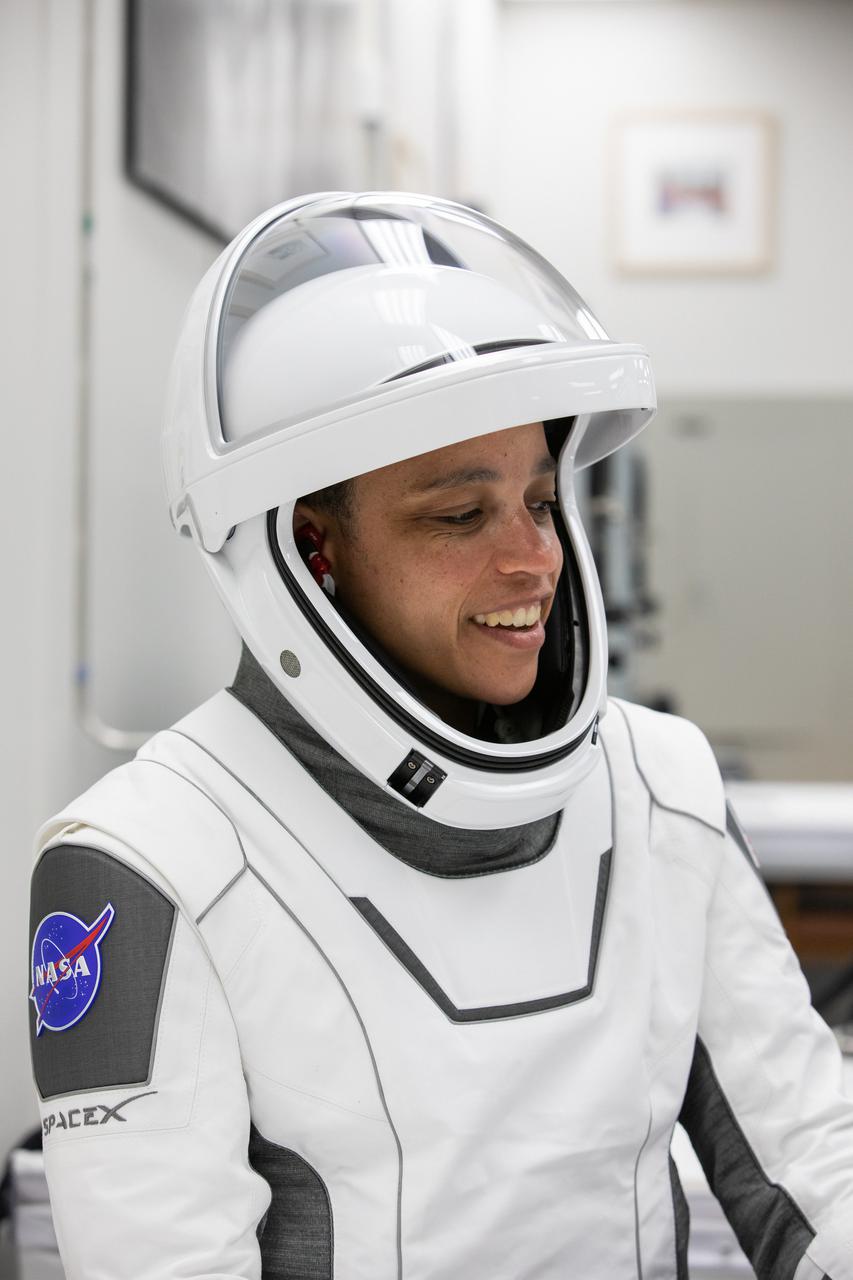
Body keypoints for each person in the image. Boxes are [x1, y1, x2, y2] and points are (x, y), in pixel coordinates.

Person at [28, 193, 853, 1280]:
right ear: (308, 552)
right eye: (460, 516)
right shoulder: (148, 860)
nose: (534, 561)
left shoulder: (659, 784)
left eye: (541, 500)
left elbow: (810, 1157)